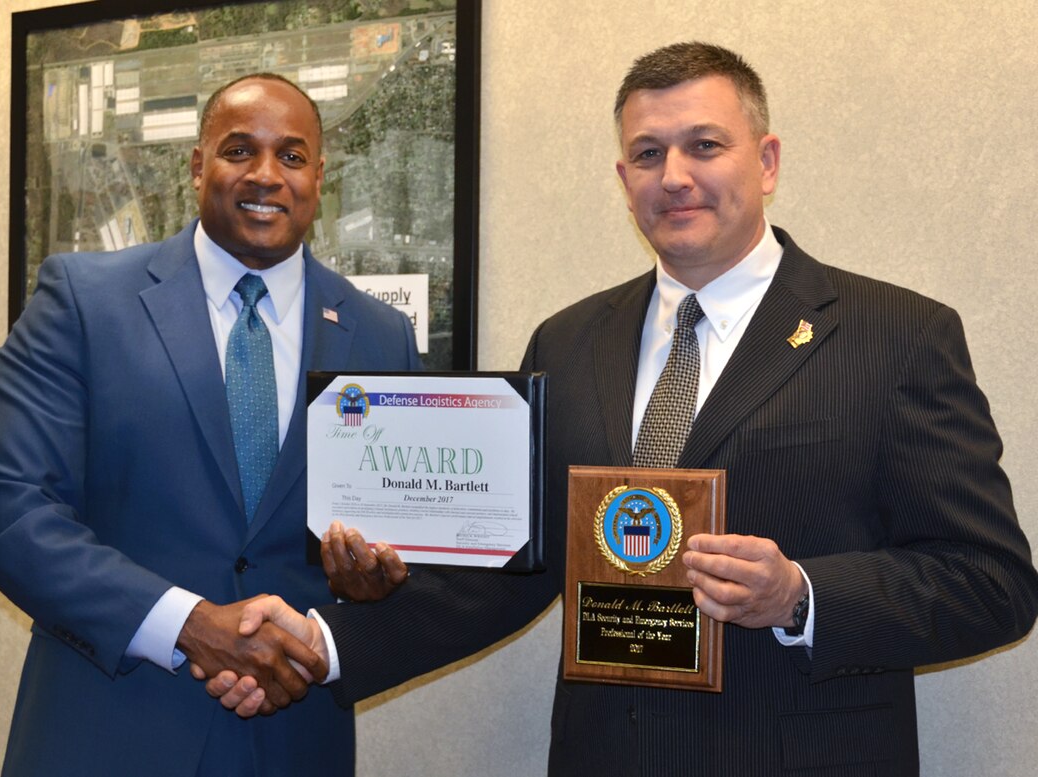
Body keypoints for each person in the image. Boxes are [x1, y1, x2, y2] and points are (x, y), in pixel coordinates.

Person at [211, 43, 1038, 775]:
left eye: (704, 146)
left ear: (768, 159)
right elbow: (506, 575)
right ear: (623, 178)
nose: (674, 175)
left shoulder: (897, 336)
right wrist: (316, 646)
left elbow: (992, 581)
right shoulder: (569, 342)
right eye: (647, 153)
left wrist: (800, 595)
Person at [0, 73, 420, 776]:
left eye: (292, 156)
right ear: (198, 165)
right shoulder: (82, 302)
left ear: (320, 177)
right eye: (240, 150)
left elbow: (402, 541)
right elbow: (5, 510)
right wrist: (188, 624)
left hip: (294, 744)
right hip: (107, 734)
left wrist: (370, 585)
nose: (266, 175)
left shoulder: (383, 336)